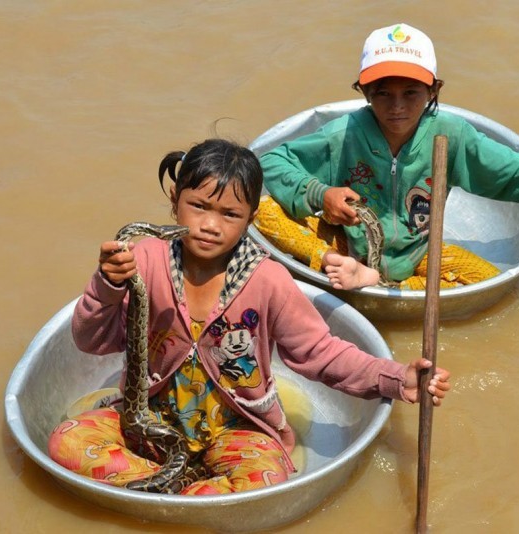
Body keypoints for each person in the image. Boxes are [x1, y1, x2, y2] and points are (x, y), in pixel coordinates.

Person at [47, 139, 451, 495]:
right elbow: (91, 341)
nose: (209, 225)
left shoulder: (268, 280)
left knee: (265, 480)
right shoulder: (144, 260)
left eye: (229, 214)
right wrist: (106, 284)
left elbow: (321, 353)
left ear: (252, 218)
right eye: (198, 206)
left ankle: (166, 487)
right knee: (66, 442)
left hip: (236, 430)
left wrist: (396, 378)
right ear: (175, 201)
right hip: (148, 423)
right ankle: (174, 481)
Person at [254, 23, 519, 291]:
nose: (397, 107)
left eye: (411, 92)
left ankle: (384, 284)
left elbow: (517, 172)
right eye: (382, 93)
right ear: (364, 91)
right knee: (262, 211)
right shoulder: (344, 133)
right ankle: (336, 265)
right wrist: (321, 194)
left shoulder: (450, 134)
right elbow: (271, 164)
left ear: (433, 90)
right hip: (348, 244)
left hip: (420, 252)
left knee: (494, 284)